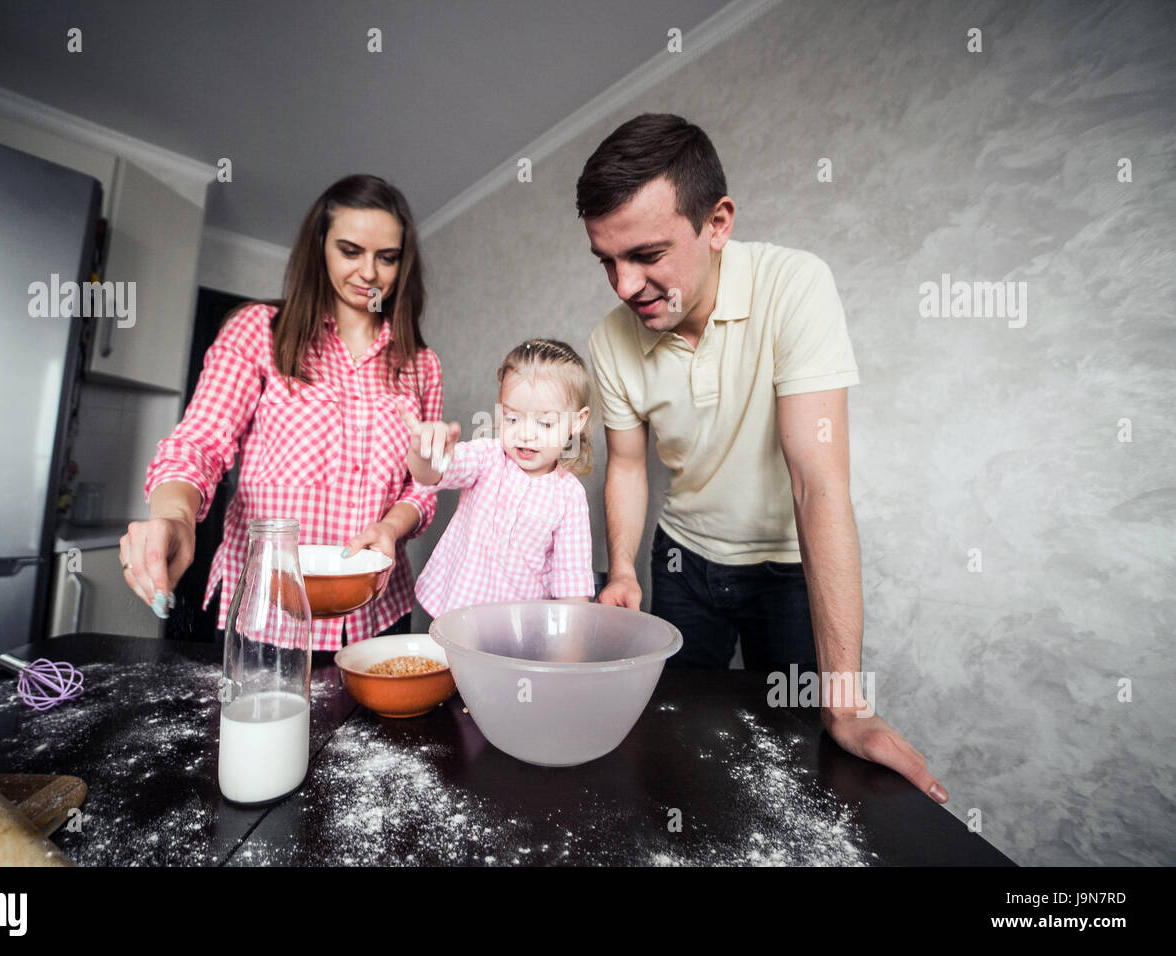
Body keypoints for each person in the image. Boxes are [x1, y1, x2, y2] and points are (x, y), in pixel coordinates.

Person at [578, 114, 948, 803]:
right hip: (683, 562)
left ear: (717, 223)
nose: (624, 286)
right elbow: (626, 465)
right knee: (678, 745)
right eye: (607, 260)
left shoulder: (796, 286)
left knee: (803, 757)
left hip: (787, 570)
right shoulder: (610, 341)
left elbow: (819, 486)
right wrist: (625, 566)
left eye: (647, 255)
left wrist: (847, 703)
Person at [119, 174, 442, 649]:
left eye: (386, 257)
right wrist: (175, 518)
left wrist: (392, 526)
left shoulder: (421, 366)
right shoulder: (257, 333)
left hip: (375, 613)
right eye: (350, 250)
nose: (369, 273)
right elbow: (200, 442)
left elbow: (424, 486)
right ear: (320, 247)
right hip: (265, 614)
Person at [403, 338, 595, 617]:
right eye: (512, 418)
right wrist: (423, 452)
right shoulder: (485, 458)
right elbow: (433, 473)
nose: (525, 434)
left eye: (545, 422)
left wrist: (569, 655)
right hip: (456, 619)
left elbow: (572, 585)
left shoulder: (570, 497)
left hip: (519, 636)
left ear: (577, 421)